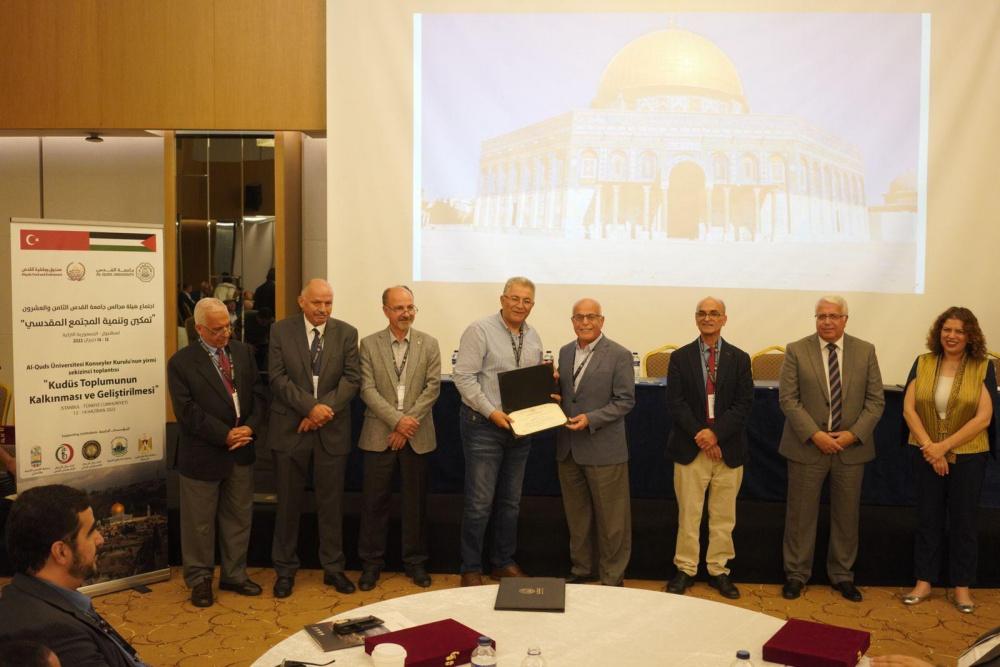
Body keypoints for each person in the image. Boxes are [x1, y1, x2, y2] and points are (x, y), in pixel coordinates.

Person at [778, 295, 884, 602]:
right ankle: (796, 574)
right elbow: (788, 399)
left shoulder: (865, 351)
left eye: (833, 316)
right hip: (807, 447)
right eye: (821, 316)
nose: (827, 321)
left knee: (846, 517)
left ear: (845, 320)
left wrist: (853, 434)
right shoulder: (797, 350)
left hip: (851, 449)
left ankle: (842, 575)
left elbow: (875, 401)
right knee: (800, 516)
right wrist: (815, 435)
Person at [166, 297, 268, 607]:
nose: (225, 333)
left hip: (242, 449)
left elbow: (259, 395)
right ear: (199, 329)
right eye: (217, 329)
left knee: (238, 517)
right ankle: (199, 580)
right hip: (203, 453)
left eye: (228, 326)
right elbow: (187, 411)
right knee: (199, 524)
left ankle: (234, 574)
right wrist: (224, 435)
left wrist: (249, 428)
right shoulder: (181, 362)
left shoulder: (243, 352)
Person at [268, 278, 360, 597]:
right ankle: (284, 571)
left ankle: (333, 569)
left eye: (328, 303)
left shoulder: (347, 333)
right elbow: (277, 378)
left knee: (331, 505)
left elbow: (351, 379)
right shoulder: (281, 331)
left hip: (331, 430)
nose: (323, 309)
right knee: (288, 505)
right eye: (317, 303)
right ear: (301, 301)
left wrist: (323, 411)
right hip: (290, 430)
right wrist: (310, 407)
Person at [900, 307, 995, 613]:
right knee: (928, 518)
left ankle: (962, 587)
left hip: (969, 456)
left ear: (970, 336)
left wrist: (944, 447)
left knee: (964, 521)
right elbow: (908, 409)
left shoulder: (983, 366)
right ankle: (923, 582)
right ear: (938, 332)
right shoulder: (923, 362)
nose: (951, 336)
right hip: (925, 452)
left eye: (959, 331)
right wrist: (931, 447)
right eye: (947, 330)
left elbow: (984, 418)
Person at [453, 276, 544, 586]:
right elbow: (463, 378)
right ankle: (470, 567)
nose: (520, 305)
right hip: (483, 426)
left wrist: (546, 396)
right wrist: (491, 412)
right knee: (479, 502)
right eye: (514, 298)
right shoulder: (479, 330)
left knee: (511, 503)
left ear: (532, 305)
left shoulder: (533, 336)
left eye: (526, 300)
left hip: (520, 430)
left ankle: (502, 562)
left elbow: (530, 383)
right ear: (502, 299)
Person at [0, 484, 147, 666]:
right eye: (91, 532)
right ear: (61, 552)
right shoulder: (55, 633)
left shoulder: (24, 592)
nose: (100, 539)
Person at [665, 297, 753, 599]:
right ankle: (686, 569)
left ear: (724, 319)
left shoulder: (740, 358)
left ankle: (718, 570)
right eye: (702, 313)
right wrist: (702, 435)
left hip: (728, 449)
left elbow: (744, 405)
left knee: (723, 517)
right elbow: (675, 403)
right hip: (690, 449)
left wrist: (716, 435)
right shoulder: (680, 357)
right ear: (696, 318)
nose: (708, 318)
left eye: (714, 313)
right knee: (688, 516)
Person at [357, 286, 441, 590]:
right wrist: (396, 421)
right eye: (399, 308)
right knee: (374, 504)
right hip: (379, 434)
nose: (406, 313)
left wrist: (407, 424)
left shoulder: (429, 343)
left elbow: (433, 388)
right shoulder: (369, 344)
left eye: (410, 307)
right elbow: (367, 390)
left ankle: (415, 562)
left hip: (416, 435)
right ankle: (371, 564)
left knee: (415, 504)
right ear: (385, 311)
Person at [555, 298, 635, 586]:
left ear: (602, 321)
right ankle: (582, 569)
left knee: (612, 520)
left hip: (604, 448)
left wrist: (591, 419)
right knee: (577, 517)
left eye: (591, 317)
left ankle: (612, 576)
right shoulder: (565, 352)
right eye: (579, 317)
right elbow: (569, 396)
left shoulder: (619, 354)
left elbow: (625, 401)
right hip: (568, 449)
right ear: (572, 321)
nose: (585, 322)